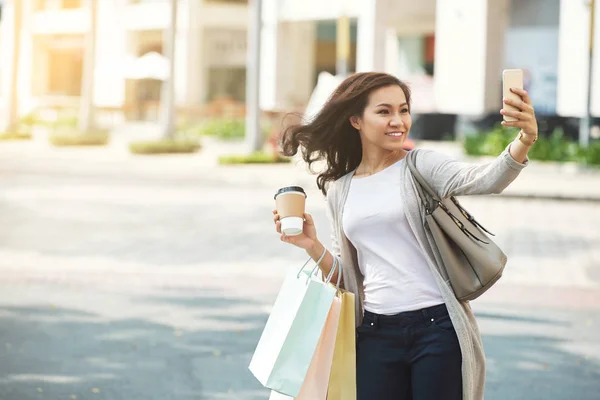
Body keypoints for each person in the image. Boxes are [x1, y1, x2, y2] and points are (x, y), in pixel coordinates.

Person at [272, 72, 537, 400]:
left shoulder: (419, 165)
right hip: (375, 333)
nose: (398, 121)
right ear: (355, 120)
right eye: (384, 112)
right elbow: (349, 278)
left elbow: (484, 180)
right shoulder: (341, 189)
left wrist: (524, 139)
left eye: (404, 110)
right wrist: (311, 245)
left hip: (436, 329)